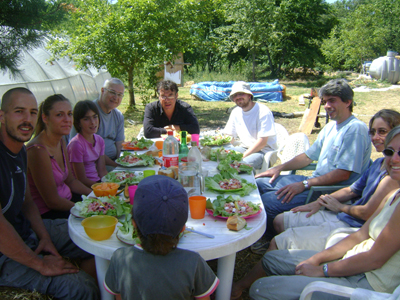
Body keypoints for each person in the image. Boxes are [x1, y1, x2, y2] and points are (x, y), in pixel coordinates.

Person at [244, 126, 400, 300]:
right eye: (389, 151)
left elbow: (374, 260)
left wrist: (322, 270)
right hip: (352, 259)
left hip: (367, 282)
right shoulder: (393, 195)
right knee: (270, 260)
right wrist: (317, 259)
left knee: (260, 289)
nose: (394, 159)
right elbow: (360, 235)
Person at [0, 88, 99, 299]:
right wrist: (40, 264)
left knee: (99, 241)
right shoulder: (32, 151)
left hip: (28, 231)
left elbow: (27, 203)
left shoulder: (19, 151)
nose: (27, 119)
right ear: (2, 115)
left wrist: (44, 237)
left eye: (32, 112)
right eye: (19, 111)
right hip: (5, 255)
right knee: (83, 289)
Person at [267, 109, 400, 252]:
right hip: (345, 214)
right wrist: (318, 202)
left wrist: (339, 207)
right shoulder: (378, 163)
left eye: (382, 131)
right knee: (279, 220)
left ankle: (296, 254)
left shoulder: (393, 176)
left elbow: (366, 213)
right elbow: (351, 190)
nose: (375, 137)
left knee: (275, 223)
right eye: (373, 132)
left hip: (354, 225)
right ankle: (293, 254)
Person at [255, 79, 371, 237]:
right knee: (260, 182)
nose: (327, 106)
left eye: (332, 101)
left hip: (330, 191)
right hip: (314, 182)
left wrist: (304, 184)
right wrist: (279, 168)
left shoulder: (355, 129)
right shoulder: (331, 126)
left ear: (348, 102)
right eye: (325, 102)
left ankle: (267, 239)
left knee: (268, 203)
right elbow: (308, 157)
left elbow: (343, 174)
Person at [104, 175, 219, 300]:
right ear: (183, 228)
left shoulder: (120, 259)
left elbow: (119, 297)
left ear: (133, 223)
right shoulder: (193, 262)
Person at [27, 94, 91, 219]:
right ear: (45, 118)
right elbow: (52, 201)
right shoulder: (37, 150)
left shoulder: (61, 141)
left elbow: (71, 181)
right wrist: (87, 210)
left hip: (68, 201)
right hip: (49, 214)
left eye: (69, 114)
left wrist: (96, 194)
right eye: (59, 115)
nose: (67, 119)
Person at [70, 78, 125, 170]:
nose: (116, 97)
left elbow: (119, 143)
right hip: (91, 166)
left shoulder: (118, 115)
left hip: (112, 162)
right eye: (112, 92)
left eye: (120, 94)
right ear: (103, 91)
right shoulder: (88, 112)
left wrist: (122, 162)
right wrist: (117, 166)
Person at [222, 81, 277, 170]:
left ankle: (248, 183)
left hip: (264, 152)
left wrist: (242, 157)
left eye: (241, 94)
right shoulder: (235, 112)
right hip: (244, 148)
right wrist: (223, 151)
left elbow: (262, 142)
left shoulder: (263, 111)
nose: (238, 97)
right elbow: (229, 136)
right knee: (220, 160)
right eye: (235, 95)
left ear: (249, 95)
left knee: (238, 166)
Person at [67, 100, 108, 188]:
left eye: (95, 117)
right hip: (84, 188)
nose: (93, 122)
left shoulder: (99, 140)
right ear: (78, 123)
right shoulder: (76, 144)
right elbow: (81, 179)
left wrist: (110, 184)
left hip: (98, 183)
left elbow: (102, 171)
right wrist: (102, 188)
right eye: (86, 119)